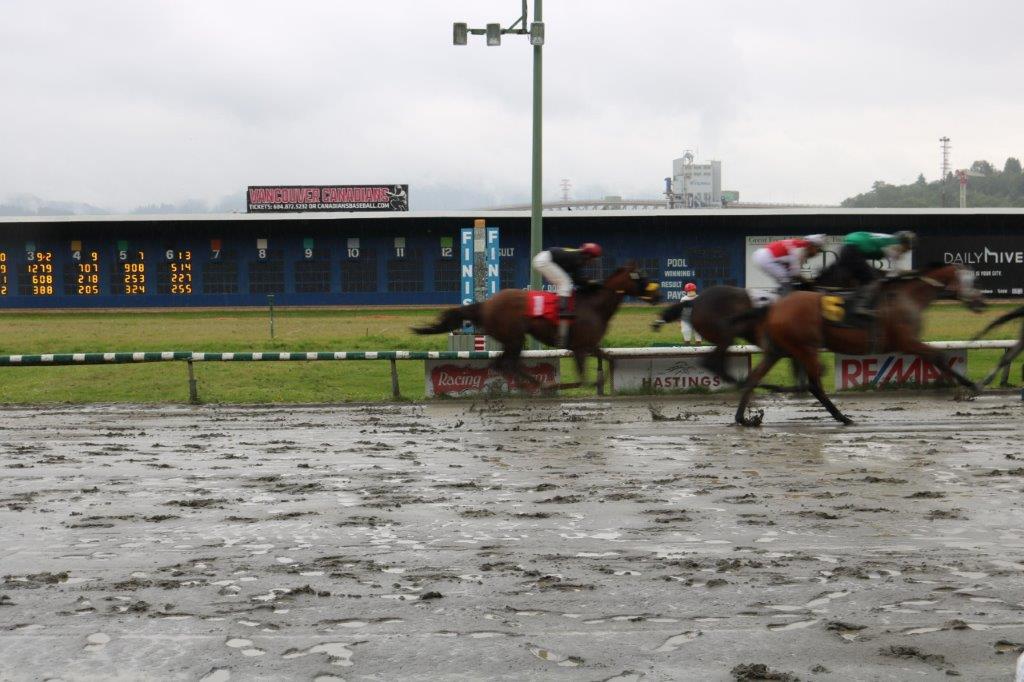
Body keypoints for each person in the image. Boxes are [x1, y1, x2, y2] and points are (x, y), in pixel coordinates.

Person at [532, 243, 603, 346]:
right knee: (565, 283)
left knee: (566, 283)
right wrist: (592, 283)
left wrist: (590, 283)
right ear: (588, 255)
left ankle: (561, 308)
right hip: (543, 261)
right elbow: (578, 280)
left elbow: (577, 280)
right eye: (594, 258)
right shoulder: (578, 258)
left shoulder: (579, 256)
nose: (593, 261)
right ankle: (562, 311)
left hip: (544, 259)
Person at [835, 231, 916, 316]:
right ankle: (861, 307)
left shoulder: (889, 239)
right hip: (852, 250)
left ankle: (853, 303)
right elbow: (895, 273)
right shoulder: (896, 245)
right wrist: (912, 272)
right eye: (908, 248)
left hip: (847, 248)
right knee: (872, 279)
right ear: (904, 243)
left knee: (864, 279)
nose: (906, 251)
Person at [751, 234, 826, 294]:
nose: (817, 253)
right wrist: (809, 282)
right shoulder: (800, 250)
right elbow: (795, 274)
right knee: (786, 279)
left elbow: (793, 273)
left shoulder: (801, 246)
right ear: (811, 246)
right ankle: (783, 303)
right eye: (818, 250)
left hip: (764, 256)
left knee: (787, 279)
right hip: (766, 259)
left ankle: (779, 294)